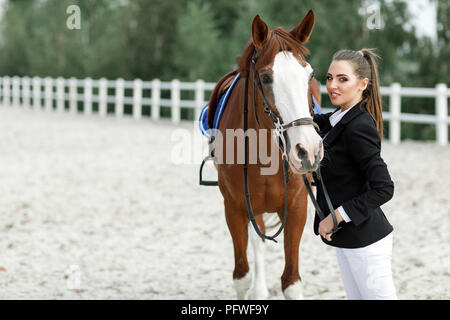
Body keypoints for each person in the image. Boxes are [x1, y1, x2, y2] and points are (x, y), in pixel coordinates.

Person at [312, 48, 397, 300]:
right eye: (329, 78)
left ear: (363, 84)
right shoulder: (336, 119)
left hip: (367, 242)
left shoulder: (359, 126)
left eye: (342, 79)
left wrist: (336, 217)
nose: (332, 85)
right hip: (348, 239)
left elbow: (384, 188)